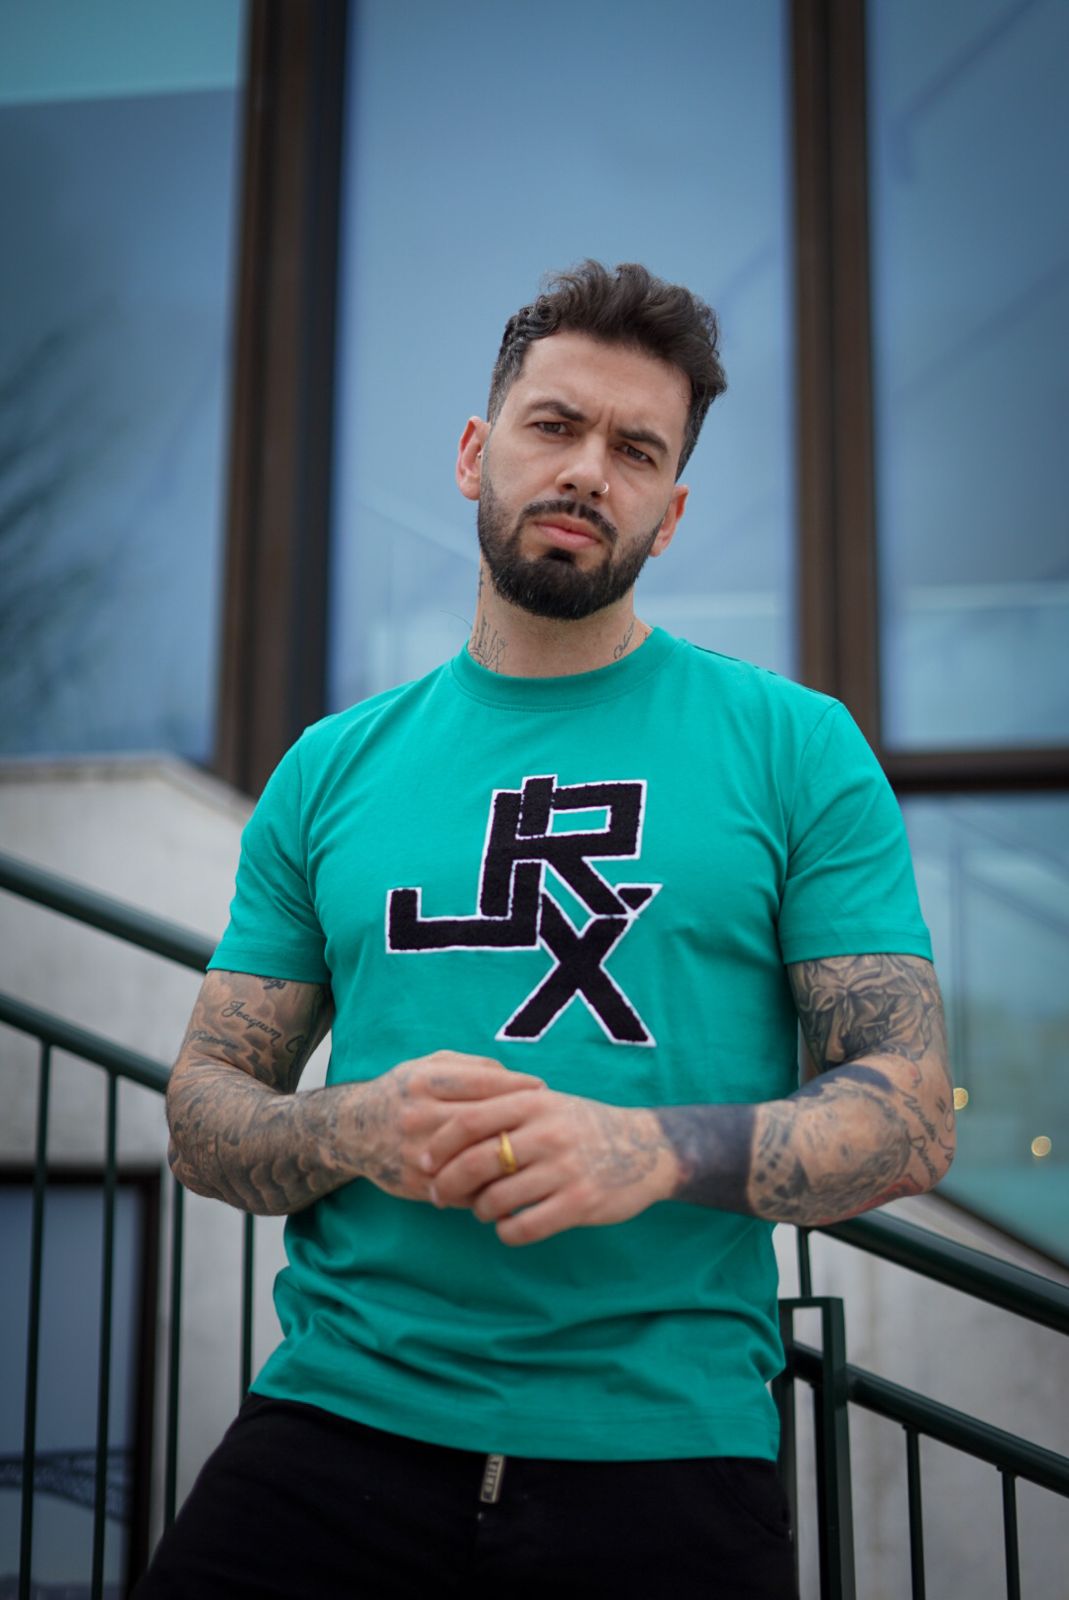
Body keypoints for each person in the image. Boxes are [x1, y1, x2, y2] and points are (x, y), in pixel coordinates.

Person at [138, 261, 954, 1599]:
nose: (587, 471)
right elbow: (204, 1112)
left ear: (670, 514)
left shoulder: (796, 749)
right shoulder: (328, 772)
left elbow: (912, 1116)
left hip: (666, 1457)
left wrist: (647, 1150)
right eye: (554, 425)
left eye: (636, 450)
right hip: (336, 1424)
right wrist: (359, 1128)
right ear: (476, 452)